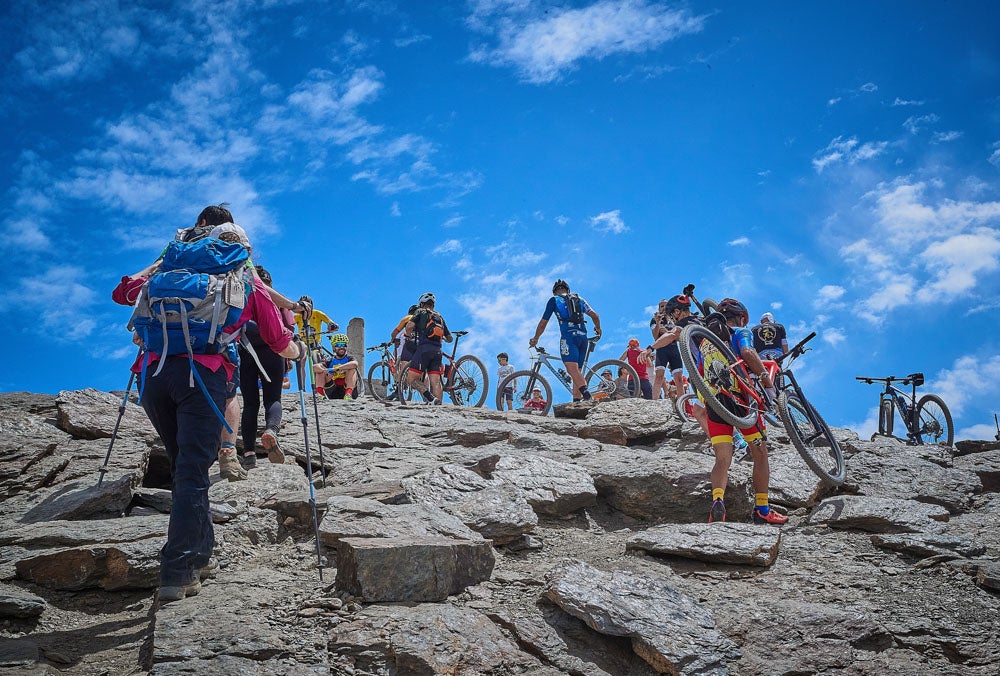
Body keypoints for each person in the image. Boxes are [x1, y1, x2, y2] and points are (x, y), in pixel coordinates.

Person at [114, 225, 306, 605]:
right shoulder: (243, 280)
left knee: (185, 467)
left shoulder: (168, 273)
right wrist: (298, 352)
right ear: (243, 250)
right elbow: (277, 340)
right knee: (191, 472)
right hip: (203, 377)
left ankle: (199, 555)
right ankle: (177, 571)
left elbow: (123, 293)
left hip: (152, 376)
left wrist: (160, 262)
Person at [693, 298, 786, 526]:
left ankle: (717, 501)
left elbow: (699, 371)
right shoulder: (740, 330)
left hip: (715, 403)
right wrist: (767, 381)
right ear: (742, 317)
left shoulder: (706, 341)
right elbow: (747, 351)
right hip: (742, 402)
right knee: (760, 454)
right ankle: (762, 509)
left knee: (722, 459)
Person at [238, 265, 295, 469]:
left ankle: (249, 453)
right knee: (273, 398)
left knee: (250, 403)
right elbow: (290, 327)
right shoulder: (277, 300)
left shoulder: (241, 294)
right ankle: (271, 430)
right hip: (273, 350)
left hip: (246, 349)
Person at [529, 279, 601, 402]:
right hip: (583, 337)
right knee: (576, 371)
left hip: (569, 337)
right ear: (568, 290)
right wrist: (598, 329)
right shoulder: (580, 299)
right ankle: (577, 401)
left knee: (571, 369)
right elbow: (595, 315)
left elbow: (543, 324)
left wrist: (535, 338)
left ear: (554, 292)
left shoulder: (554, 300)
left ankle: (587, 396)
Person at [405, 292, 452, 405]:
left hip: (423, 350)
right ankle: (439, 406)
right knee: (435, 381)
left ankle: (430, 398)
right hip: (438, 352)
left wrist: (408, 335)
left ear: (421, 303)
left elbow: (410, 326)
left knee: (411, 379)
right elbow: (450, 338)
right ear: (433, 305)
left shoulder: (420, 311)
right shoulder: (439, 316)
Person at [649, 299, 686, 403]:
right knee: (659, 376)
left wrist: (668, 332)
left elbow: (679, 335)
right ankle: (654, 403)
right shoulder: (654, 320)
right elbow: (656, 337)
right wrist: (657, 323)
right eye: (661, 306)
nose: (664, 308)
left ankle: (681, 406)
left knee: (679, 379)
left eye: (666, 305)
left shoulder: (674, 319)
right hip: (661, 350)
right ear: (658, 308)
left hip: (674, 349)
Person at [387, 304, 419, 400]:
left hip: (406, 352)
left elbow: (394, 335)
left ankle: (398, 391)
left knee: (400, 369)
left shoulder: (407, 319)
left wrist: (391, 340)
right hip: (421, 348)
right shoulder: (424, 321)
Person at [314, 333, 359, 400]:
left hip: (346, 389)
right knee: (320, 371)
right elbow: (315, 367)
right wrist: (325, 370)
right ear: (333, 347)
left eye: (344, 345)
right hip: (332, 390)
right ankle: (320, 394)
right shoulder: (329, 360)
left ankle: (348, 394)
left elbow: (355, 364)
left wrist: (337, 368)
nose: (341, 347)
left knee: (352, 369)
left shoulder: (350, 358)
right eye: (338, 345)